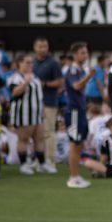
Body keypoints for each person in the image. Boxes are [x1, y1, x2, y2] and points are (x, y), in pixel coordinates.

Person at [63, 42, 92, 189]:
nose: (85, 55)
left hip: (80, 110)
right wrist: (89, 76)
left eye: (86, 52)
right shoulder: (73, 70)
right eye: (82, 53)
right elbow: (76, 86)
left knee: (79, 143)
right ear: (74, 54)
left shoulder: (80, 70)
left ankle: (76, 175)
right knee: (74, 144)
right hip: (73, 111)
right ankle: (72, 177)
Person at [32, 38, 63, 173]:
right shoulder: (32, 63)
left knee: (48, 132)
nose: (43, 49)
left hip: (49, 101)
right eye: (40, 46)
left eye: (45, 46)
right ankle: (39, 160)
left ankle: (50, 160)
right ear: (35, 48)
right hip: (34, 102)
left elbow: (59, 82)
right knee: (36, 133)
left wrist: (44, 84)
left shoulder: (53, 63)